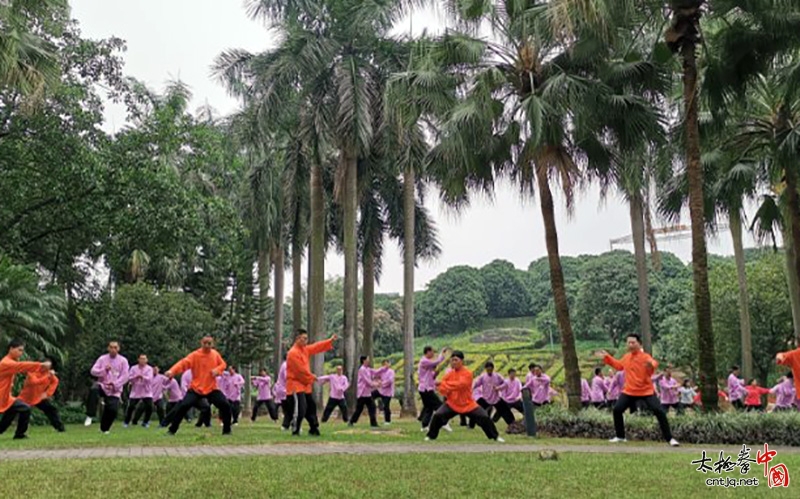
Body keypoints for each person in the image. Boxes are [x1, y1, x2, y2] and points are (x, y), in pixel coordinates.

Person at [596, 334, 680, 447]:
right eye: (628, 342)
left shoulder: (645, 356)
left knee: (659, 411)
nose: (630, 345)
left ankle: (670, 439)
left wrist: (651, 365)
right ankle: (620, 436)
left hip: (646, 391)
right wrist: (607, 357)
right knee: (617, 410)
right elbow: (619, 365)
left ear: (639, 344)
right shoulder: (627, 357)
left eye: (633, 342)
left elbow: (653, 363)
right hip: (629, 391)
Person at [425, 351, 503, 443]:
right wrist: (443, 386)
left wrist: (443, 384)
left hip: (468, 404)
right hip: (452, 404)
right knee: (437, 415)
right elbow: (442, 389)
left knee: (484, 417)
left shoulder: (467, 374)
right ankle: (431, 436)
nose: (453, 362)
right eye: (452, 360)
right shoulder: (449, 375)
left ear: (462, 361)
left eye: (456, 360)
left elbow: (461, 384)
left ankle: (495, 436)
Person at [165, 336, 232, 436]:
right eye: (205, 343)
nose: (207, 345)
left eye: (209, 343)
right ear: (201, 343)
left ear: (212, 344)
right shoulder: (195, 355)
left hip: (211, 388)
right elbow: (183, 363)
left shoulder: (215, 354)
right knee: (183, 406)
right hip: (196, 388)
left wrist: (217, 370)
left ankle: (227, 430)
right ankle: (172, 430)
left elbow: (223, 364)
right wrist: (172, 371)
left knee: (225, 405)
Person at [286, 329, 337, 436]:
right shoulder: (292, 353)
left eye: (306, 338)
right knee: (301, 409)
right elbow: (299, 370)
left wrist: (329, 341)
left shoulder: (304, 349)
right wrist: (311, 376)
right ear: (297, 338)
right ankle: (296, 428)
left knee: (311, 407)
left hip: (305, 385)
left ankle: (313, 428)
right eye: (304, 338)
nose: (306, 341)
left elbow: (316, 347)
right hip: (295, 385)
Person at [2, 342, 52, 439]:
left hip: (6, 396)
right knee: (21, 408)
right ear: (11, 349)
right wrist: (41, 365)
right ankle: (19, 434)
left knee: (21, 408)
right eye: (19, 350)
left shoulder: (10, 361)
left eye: (22, 350)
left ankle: (19, 434)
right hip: (2, 396)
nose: (21, 353)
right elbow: (21, 366)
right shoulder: (6, 363)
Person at [85, 341, 129, 433]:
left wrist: (115, 384)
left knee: (112, 410)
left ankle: (104, 428)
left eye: (115, 347)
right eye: (111, 347)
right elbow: (93, 371)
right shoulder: (102, 359)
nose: (113, 350)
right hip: (102, 385)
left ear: (118, 349)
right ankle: (90, 415)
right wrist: (103, 370)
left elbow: (125, 376)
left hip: (114, 389)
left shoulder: (123, 361)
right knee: (94, 389)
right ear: (108, 348)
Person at [18, 362, 64, 432]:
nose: (45, 367)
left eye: (48, 366)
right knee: (21, 412)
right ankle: (20, 433)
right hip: (26, 398)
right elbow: (34, 382)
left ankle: (60, 428)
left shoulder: (49, 374)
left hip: (38, 398)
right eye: (44, 365)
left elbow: (55, 381)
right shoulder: (32, 371)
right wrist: (48, 376)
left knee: (51, 410)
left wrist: (47, 393)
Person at [418, 346, 451, 432]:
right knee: (439, 405)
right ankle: (444, 423)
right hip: (426, 389)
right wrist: (442, 354)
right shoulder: (424, 361)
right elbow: (436, 362)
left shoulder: (426, 363)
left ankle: (424, 425)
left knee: (429, 407)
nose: (433, 354)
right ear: (428, 352)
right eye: (432, 352)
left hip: (425, 389)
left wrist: (435, 374)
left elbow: (430, 377)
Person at [349, 356, 388, 428]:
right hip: (362, 393)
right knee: (359, 409)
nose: (369, 361)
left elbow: (376, 371)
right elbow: (367, 381)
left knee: (372, 407)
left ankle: (373, 423)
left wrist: (384, 368)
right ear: (364, 361)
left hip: (367, 394)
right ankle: (351, 421)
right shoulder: (362, 370)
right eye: (367, 359)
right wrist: (376, 384)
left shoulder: (368, 369)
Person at [472, 362, 513, 427]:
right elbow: (476, 384)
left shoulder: (498, 376)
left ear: (493, 369)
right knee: (476, 409)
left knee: (505, 410)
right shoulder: (482, 377)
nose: (489, 371)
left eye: (490, 370)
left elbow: (505, 384)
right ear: (485, 369)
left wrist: (498, 388)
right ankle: (471, 425)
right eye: (488, 370)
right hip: (486, 398)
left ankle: (512, 423)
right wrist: (471, 389)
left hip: (496, 398)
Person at [124, 354, 154, 428]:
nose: (142, 360)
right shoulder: (133, 368)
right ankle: (126, 422)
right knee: (131, 406)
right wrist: (136, 377)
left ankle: (145, 422)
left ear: (146, 360)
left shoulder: (149, 369)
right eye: (141, 359)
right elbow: (129, 378)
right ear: (138, 360)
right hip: (136, 390)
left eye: (144, 359)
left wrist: (143, 377)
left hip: (146, 391)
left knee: (149, 406)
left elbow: (150, 378)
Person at [274, 358, 292, 431]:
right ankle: (287, 425)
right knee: (291, 408)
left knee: (287, 410)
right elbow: (287, 377)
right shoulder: (286, 365)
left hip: (282, 390)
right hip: (285, 390)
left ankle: (286, 425)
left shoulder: (284, 365)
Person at [376, 360, 395, 425]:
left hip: (388, 392)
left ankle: (387, 420)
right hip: (380, 390)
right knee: (370, 396)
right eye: (384, 364)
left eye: (387, 364)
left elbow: (390, 381)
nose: (386, 365)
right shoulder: (381, 371)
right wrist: (378, 382)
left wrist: (382, 383)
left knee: (386, 406)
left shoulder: (391, 372)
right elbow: (376, 377)